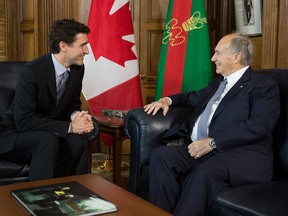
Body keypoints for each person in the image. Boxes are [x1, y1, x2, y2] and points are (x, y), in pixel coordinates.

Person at [144, 33, 280, 216]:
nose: (212, 58)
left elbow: (259, 126)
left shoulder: (263, 86)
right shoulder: (219, 84)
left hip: (240, 156)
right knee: (162, 156)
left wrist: (212, 142)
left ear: (236, 56)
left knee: (204, 173)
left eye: (217, 53)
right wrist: (167, 100)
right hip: (205, 151)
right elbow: (191, 96)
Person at [0, 19, 95, 181]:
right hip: (13, 135)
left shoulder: (78, 68)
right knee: (47, 141)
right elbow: (24, 121)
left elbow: (71, 103)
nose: (87, 51)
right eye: (82, 45)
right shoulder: (31, 72)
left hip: (46, 131)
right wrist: (70, 126)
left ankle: (60, 190)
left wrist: (76, 117)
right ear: (63, 46)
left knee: (77, 142)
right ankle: (39, 198)